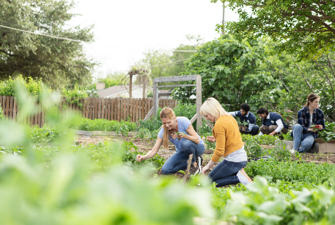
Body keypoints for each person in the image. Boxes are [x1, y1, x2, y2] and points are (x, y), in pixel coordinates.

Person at [200, 97, 252, 187]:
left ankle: (238, 178)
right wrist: (217, 138)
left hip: (233, 161)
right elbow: (231, 135)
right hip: (241, 158)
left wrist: (207, 166)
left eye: (207, 116)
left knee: (209, 183)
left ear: (212, 111)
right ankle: (237, 174)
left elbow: (219, 150)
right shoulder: (229, 117)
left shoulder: (219, 124)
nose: (206, 119)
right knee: (213, 179)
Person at [136, 107, 205, 175]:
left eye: (169, 122)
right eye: (164, 123)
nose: (167, 125)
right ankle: (190, 164)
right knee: (166, 170)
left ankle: (194, 159)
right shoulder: (163, 131)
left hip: (198, 148)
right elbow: (154, 150)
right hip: (183, 152)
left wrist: (185, 136)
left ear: (174, 118)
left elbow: (197, 140)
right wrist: (143, 157)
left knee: (185, 143)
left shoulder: (183, 121)